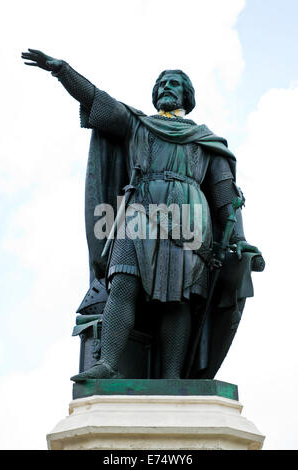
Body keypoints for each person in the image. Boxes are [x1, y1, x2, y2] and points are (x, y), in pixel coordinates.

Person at [21, 49, 262, 381]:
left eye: (175, 83)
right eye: (162, 82)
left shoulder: (205, 140)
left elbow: (225, 193)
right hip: (138, 213)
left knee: (177, 299)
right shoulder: (136, 125)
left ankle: (174, 377)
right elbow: (97, 99)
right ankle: (108, 363)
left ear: (187, 96)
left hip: (188, 221)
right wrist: (63, 71)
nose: (167, 86)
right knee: (122, 283)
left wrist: (241, 241)